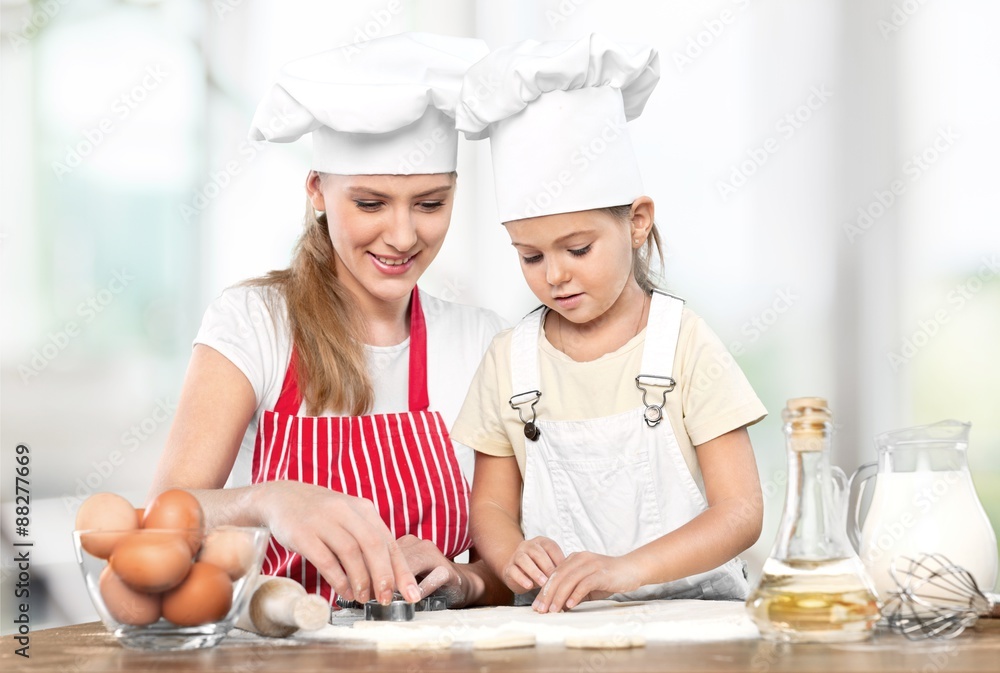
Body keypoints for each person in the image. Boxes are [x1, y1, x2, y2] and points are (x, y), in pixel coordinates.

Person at [148, 33, 509, 609]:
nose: (402, 236)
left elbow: (510, 566)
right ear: (317, 189)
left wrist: (464, 580)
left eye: (430, 203)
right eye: (370, 204)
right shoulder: (255, 323)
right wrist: (270, 501)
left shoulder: (480, 339)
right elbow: (163, 522)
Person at [451, 34, 767, 613]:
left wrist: (624, 571)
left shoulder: (684, 343)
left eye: (578, 248)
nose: (556, 277)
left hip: (695, 625)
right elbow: (491, 508)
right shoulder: (509, 359)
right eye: (531, 256)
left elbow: (741, 512)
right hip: (558, 629)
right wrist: (511, 553)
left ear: (637, 222)